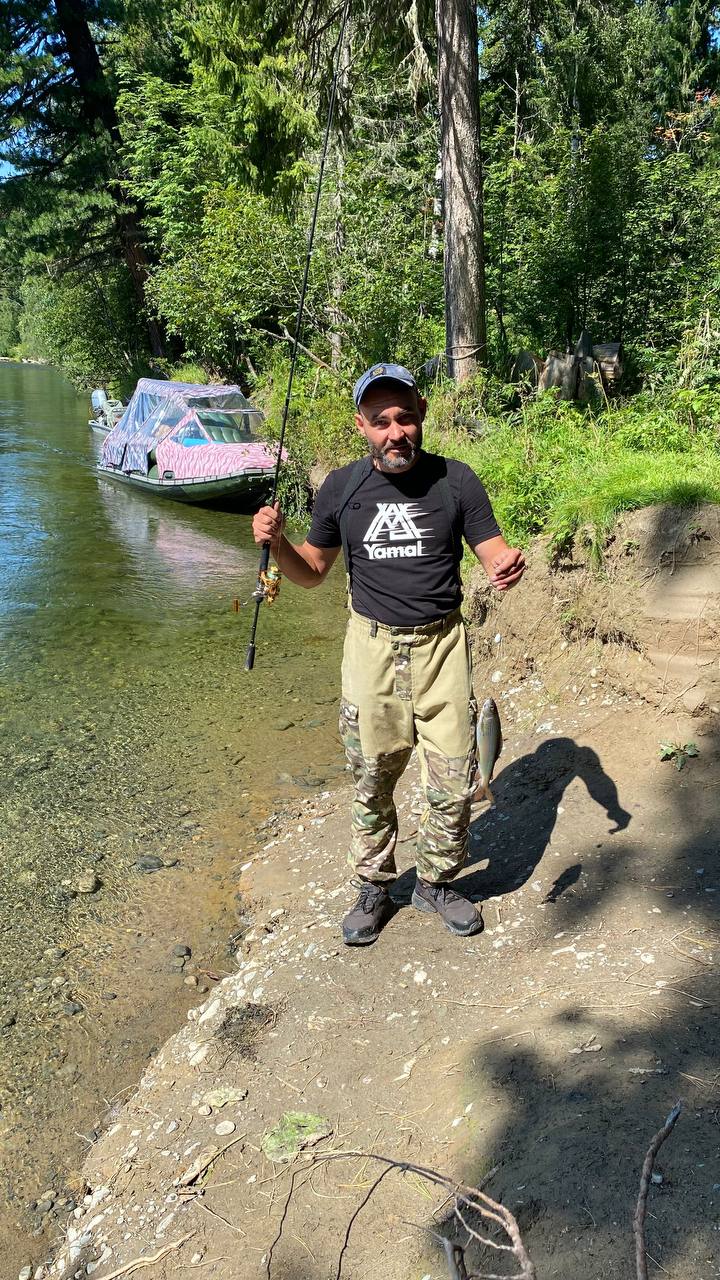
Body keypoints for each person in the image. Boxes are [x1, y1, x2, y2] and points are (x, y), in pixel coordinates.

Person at [252, 362, 525, 946]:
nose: (395, 431)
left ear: (421, 414)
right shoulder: (340, 488)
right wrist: (277, 545)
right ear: (361, 426)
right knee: (372, 777)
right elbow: (312, 573)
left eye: (404, 417)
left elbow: (492, 550)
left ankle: (435, 881)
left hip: (441, 646)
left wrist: (504, 567)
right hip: (369, 649)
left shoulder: (457, 481)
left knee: (453, 779)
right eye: (381, 421)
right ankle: (375, 885)